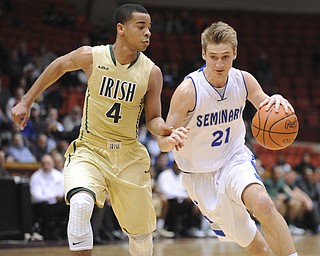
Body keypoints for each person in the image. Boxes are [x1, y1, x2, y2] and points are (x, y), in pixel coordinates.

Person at [11, 3, 172, 256]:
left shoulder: (152, 72)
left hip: (128, 155)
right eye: (141, 27)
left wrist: (162, 128)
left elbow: (153, 118)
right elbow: (58, 66)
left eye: (149, 28)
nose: (148, 33)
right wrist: (26, 101)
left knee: (140, 235)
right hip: (90, 149)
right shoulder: (92, 56)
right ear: (121, 29)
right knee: (80, 205)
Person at [158, 21, 299, 256]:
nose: (219, 63)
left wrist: (277, 99)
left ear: (235, 53)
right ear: (203, 54)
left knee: (263, 204)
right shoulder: (188, 91)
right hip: (200, 177)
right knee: (258, 249)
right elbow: (162, 142)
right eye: (213, 57)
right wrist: (170, 140)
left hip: (234, 159)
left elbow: (266, 103)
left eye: (225, 56)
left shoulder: (243, 80)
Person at [29, 154, 69, 240]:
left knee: (69, 205)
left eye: (48, 163)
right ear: (41, 164)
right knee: (45, 206)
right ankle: (49, 233)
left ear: (53, 164)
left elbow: (64, 190)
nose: (46, 166)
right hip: (42, 205)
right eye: (44, 163)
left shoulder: (59, 175)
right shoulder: (36, 177)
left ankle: (66, 233)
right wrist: (53, 197)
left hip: (57, 203)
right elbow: (36, 197)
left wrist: (60, 197)